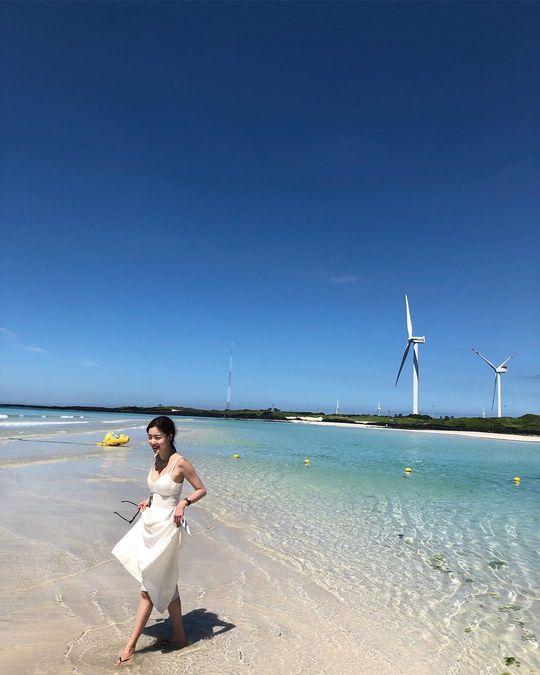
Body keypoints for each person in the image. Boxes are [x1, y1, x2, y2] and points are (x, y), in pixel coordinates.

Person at [112, 416, 207, 666]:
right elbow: (159, 490)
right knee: (166, 584)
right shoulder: (156, 459)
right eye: (150, 437)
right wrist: (149, 500)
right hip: (150, 524)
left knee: (148, 589)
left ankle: (130, 647)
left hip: (168, 528)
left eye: (157, 437)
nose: (152, 442)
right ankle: (179, 637)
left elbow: (201, 489)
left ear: (169, 437)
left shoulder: (180, 463)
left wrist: (184, 503)